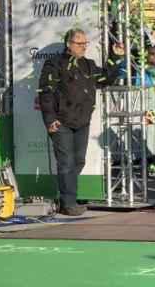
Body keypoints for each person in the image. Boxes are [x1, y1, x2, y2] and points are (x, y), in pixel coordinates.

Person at [37, 29, 123, 215]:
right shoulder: (54, 63)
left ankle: (65, 197)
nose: (84, 47)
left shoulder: (88, 65)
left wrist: (115, 57)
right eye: (80, 43)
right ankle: (69, 203)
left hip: (82, 121)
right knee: (66, 162)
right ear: (69, 44)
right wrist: (50, 118)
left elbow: (105, 78)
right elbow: (46, 92)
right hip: (61, 121)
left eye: (86, 43)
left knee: (78, 161)